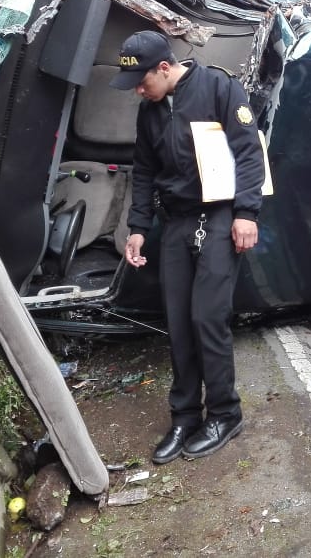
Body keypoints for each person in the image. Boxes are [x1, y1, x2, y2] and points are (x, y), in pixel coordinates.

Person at [111, 29, 265, 464]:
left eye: (142, 81)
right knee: (178, 321)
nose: (139, 91)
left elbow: (249, 152)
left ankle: (225, 414)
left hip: (220, 218)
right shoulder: (151, 111)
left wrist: (246, 213)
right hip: (177, 221)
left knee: (206, 317)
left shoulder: (218, 87)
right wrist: (138, 227)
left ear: (164, 68)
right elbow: (144, 170)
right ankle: (185, 417)